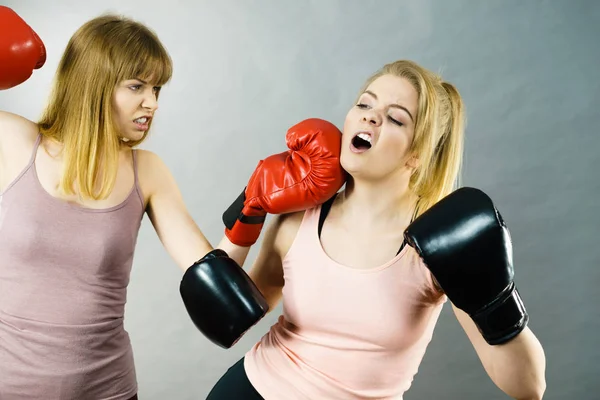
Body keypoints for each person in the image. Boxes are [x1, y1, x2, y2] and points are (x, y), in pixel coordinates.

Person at [0, 7, 345, 400]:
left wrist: (252, 206)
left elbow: (212, 279)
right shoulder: (13, 142)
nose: (152, 104)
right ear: (92, 82)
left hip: (106, 390)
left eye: (157, 90)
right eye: (137, 87)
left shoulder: (146, 172)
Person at [203, 60, 547, 400]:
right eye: (364, 104)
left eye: (396, 118)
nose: (370, 116)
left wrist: (495, 296)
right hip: (254, 389)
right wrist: (249, 208)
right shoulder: (301, 219)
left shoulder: (437, 244)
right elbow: (225, 316)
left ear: (417, 155)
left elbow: (528, 387)